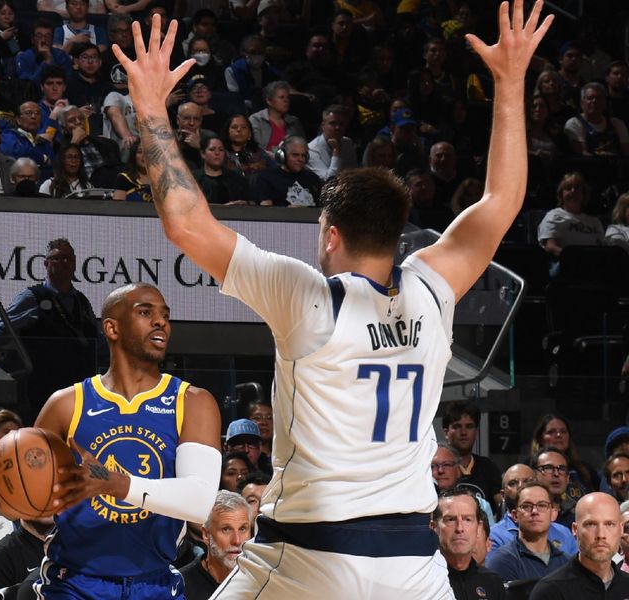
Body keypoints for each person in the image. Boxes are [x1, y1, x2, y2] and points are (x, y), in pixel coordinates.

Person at [115, 2, 552, 595]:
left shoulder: (310, 297)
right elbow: (502, 199)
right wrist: (509, 78)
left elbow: (187, 224)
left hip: (311, 554)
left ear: (330, 234)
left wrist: (147, 106)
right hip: (413, 565)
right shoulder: (432, 286)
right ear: (395, 236)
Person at [28, 282, 221, 599]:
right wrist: (1, 477)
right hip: (75, 582)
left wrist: (114, 483)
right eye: (145, 312)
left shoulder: (193, 402)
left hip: (153, 581)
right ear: (111, 328)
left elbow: (199, 503)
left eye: (165, 315)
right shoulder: (66, 404)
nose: (160, 321)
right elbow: (31, 502)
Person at [0, 238, 101, 422]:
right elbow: (4, 325)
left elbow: (95, 337)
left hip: (79, 390)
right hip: (43, 389)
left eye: (68, 258)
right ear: (46, 263)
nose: (64, 263)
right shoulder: (32, 297)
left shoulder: (81, 300)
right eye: (58, 258)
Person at [529, 492, 629, 599]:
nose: (601, 535)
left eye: (609, 524)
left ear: (621, 529)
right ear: (575, 530)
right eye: (591, 524)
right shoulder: (550, 592)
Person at [485, 481, 571, 582]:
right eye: (527, 506)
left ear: (553, 514)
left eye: (542, 505)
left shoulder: (566, 562)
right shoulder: (502, 562)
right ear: (515, 515)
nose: (535, 511)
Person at [431, 488, 506, 600]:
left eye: (468, 519)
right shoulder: (422, 581)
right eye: (450, 519)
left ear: (479, 528)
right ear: (434, 528)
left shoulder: (493, 582)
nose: (460, 528)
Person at [490, 463, 577, 555]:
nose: (521, 486)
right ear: (503, 495)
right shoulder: (494, 535)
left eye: (527, 482)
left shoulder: (564, 533)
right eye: (513, 483)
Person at [180, 491, 252, 600]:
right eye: (226, 529)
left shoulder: (263, 581)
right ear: (206, 534)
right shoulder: (180, 586)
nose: (237, 541)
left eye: (243, 529)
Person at [442, 400, 503, 512]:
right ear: (446, 433)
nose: (464, 432)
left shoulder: (488, 468)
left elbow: (502, 507)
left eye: (469, 426)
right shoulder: (437, 469)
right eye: (457, 426)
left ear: (476, 432)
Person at [537, 172, 604, 260]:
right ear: (562, 194)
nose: (573, 191)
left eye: (577, 188)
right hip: (565, 263)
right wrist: (575, 259)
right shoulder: (554, 216)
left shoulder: (594, 222)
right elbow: (550, 247)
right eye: (568, 188)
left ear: (583, 194)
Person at [251, 136, 323, 207]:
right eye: (295, 155)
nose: (300, 159)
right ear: (282, 156)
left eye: (303, 156)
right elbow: (265, 209)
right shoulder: (266, 178)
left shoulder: (313, 179)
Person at [248, 81, 304, 152]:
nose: (286, 100)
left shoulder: (294, 121)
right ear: (269, 101)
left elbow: (302, 147)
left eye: (287, 97)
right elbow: (255, 149)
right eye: (281, 97)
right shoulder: (256, 120)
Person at [193, 136, 251, 205]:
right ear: (203, 154)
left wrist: (245, 203)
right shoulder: (193, 179)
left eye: (221, 150)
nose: (217, 153)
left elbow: (253, 202)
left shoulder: (236, 179)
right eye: (212, 149)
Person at [307, 105, 357, 182]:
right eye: (333, 123)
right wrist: (336, 152)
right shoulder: (312, 149)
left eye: (341, 124)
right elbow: (329, 180)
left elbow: (354, 173)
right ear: (323, 126)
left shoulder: (348, 143)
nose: (337, 127)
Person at [0, 101, 55, 167]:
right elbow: (12, 151)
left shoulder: (44, 142)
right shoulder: (9, 135)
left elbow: (52, 165)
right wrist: (43, 158)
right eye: (28, 113)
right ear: (18, 120)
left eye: (37, 113)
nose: (33, 116)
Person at [533, 447, 576, 530]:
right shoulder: (527, 514)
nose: (556, 474)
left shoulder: (577, 515)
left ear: (568, 478)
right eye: (548, 468)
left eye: (562, 469)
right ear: (534, 475)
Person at [221, 114, 273, 178]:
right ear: (227, 133)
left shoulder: (261, 155)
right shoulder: (222, 155)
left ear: (249, 134)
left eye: (243, 127)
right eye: (234, 127)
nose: (239, 130)